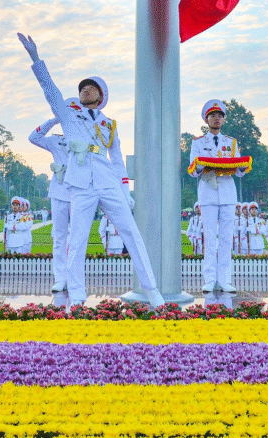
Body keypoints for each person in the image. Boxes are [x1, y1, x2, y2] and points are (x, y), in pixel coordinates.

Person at [18, 33, 164, 307]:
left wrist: (125, 191)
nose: (85, 90)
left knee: (131, 232)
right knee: (77, 238)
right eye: (83, 87)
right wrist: (36, 59)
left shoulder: (109, 124)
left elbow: (118, 160)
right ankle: (76, 293)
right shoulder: (69, 117)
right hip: (81, 184)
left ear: (101, 97)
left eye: (91, 88)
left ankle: (151, 289)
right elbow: (51, 91)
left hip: (108, 182)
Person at [188, 99, 250, 294]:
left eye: (220, 116)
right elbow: (192, 170)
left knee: (225, 238)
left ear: (223, 120)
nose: (217, 119)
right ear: (207, 120)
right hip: (208, 190)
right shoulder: (198, 142)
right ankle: (209, 278)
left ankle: (224, 279)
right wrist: (202, 163)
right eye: (213, 116)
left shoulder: (231, 142)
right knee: (210, 237)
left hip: (228, 192)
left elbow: (239, 172)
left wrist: (241, 165)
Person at [29, 111, 74, 291]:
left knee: (78, 238)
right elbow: (33, 137)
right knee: (59, 237)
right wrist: (54, 119)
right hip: (59, 190)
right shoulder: (56, 141)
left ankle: (74, 277)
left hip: (80, 191)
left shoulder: (86, 136)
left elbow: (98, 152)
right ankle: (60, 277)